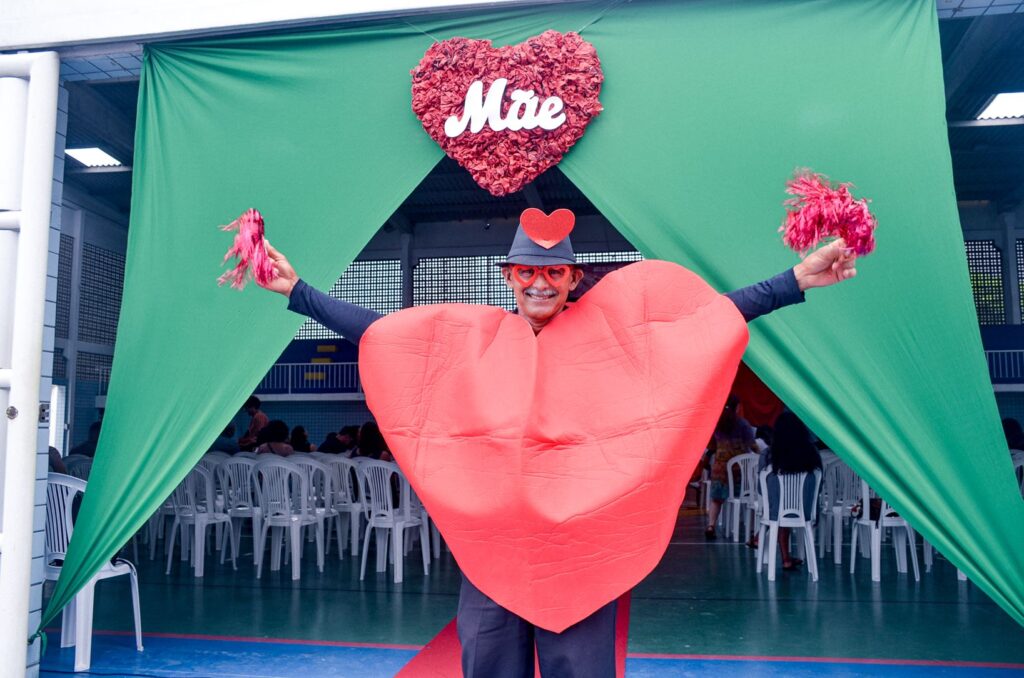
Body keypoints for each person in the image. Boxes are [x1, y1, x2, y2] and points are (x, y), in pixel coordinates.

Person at [257, 218, 856, 677]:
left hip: (583, 551)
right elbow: (384, 334)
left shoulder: (612, 339)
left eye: (553, 273)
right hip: (495, 552)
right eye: (526, 270)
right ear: (508, 276)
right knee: (488, 660)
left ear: (572, 280)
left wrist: (795, 280)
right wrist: (298, 292)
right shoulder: (478, 341)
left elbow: (704, 321)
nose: (539, 282)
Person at [757, 411, 822, 570]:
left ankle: (785, 557)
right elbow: (819, 487)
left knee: (778, 505)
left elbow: (761, 489)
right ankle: (791, 559)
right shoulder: (813, 454)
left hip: (775, 512)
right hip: (806, 512)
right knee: (786, 505)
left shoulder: (768, 455)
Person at [705, 395, 757, 540]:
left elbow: (711, 446)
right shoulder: (743, 424)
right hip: (739, 472)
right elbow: (752, 444)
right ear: (737, 407)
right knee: (749, 498)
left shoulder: (716, 424)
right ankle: (752, 529)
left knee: (716, 499)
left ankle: (711, 525)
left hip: (720, 470)